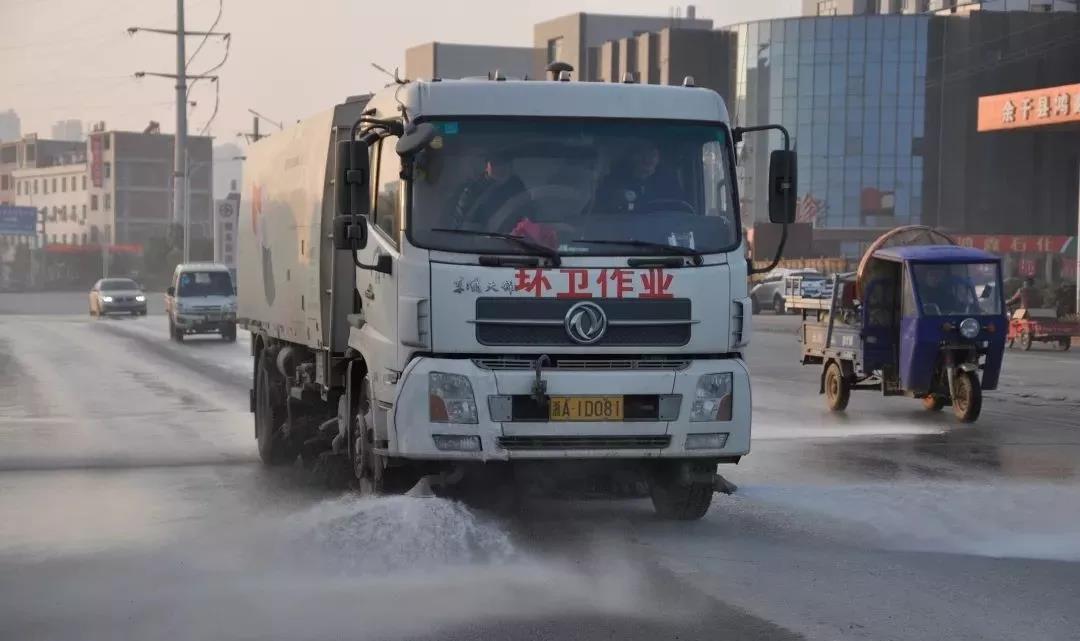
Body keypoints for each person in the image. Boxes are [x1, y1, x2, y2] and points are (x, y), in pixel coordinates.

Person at [594, 141, 682, 214]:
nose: (647, 159)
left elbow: (681, 212)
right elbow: (598, 211)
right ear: (632, 157)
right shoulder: (613, 182)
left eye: (653, 154)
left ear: (658, 158)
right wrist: (615, 201)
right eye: (641, 153)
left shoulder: (669, 183)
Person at [448, 153, 529, 229]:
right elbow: (460, 220)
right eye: (495, 163)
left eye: (504, 162)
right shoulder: (473, 188)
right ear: (486, 166)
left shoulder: (517, 186)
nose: (500, 167)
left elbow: (527, 215)